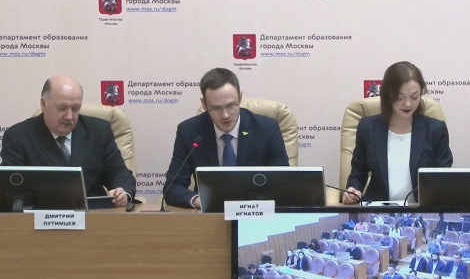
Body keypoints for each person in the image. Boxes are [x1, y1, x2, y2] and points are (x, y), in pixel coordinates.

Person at [0, 76, 136, 208]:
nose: (69, 116)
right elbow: (11, 189)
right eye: (62, 108)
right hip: (39, 217)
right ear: (43, 104)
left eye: (75, 108)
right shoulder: (18, 137)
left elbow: (119, 173)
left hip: (92, 215)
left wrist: (122, 192)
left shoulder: (99, 131)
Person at [163, 68, 289, 209]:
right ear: (204, 104)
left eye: (231, 106)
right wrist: (201, 201)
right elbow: (173, 187)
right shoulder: (189, 132)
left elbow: (283, 183)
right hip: (210, 214)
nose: (225, 115)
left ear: (240, 98)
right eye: (216, 108)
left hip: (256, 212)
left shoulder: (267, 129)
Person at [343, 61, 453, 204]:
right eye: (400, 97)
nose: (408, 104)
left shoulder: (435, 130)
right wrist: (353, 190)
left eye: (414, 97)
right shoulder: (368, 128)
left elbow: (443, 178)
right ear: (388, 95)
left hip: (421, 210)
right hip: (378, 210)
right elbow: (358, 174)